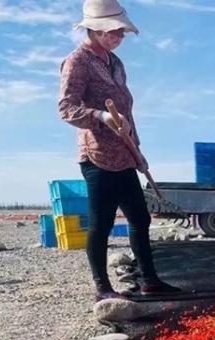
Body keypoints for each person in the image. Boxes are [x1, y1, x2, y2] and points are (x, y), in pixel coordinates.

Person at [58, 0, 180, 302]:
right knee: (102, 223)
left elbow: (126, 111)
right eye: (115, 32)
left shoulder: (116, 64)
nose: (120, 37)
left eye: (122, 32)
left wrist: (137, 150)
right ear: (97, 30)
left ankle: (149, 280)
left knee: (140, 217)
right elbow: (66, 108)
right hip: (97, 157)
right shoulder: (77, 62)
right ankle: (102, 288)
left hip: (124, 155)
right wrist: (100, 116)